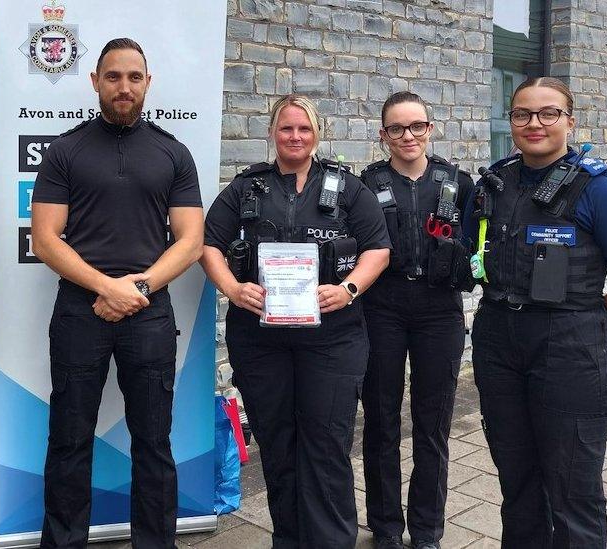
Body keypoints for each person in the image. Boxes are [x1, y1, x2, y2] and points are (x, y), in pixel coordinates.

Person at [464, 77, 607, 548]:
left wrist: (587, 323)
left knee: (573, 491)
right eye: (522, 114)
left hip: (571, 349)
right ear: (510, 121)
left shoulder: (602, 190)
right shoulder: (494, 182)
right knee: (518, 483)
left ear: (569, 121)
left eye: (548, 113)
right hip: (499, 342)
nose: (535, 123)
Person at [30, 38, 204, 549]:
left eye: (133, 77)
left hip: (149, 313)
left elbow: (191, 241)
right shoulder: (64, 151)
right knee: (69, 439)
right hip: (81, 309)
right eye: (113, 77)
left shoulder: (174, 153)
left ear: (147, 83)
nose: (123, 87)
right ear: (95, 82)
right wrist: (107, 286)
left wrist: (139, 287)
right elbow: (44, 239)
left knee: (153, 442)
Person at [202, 94, 391, 548]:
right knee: (278, 442)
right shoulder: (247, 188)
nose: (295, 137)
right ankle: (288, 538)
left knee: (326, 444)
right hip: (261, 340)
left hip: (332, 340)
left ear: (316, 134)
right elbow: (209, 245)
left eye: (304, 129)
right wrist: (232, 287)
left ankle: (330, 541)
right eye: (286, 128)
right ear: (273, 133)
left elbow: (378, 249)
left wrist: (347, 290)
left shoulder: (347, 189)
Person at [358, 91, 475, 549]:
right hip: (382, 308)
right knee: (381, 421)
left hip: (438, 310)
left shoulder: (458, 183)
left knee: (434, 422)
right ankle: (385, 527)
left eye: (416, 126)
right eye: (396, 128)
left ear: (430, 129)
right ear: (382, 134)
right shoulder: (365, 184)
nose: (407, 136)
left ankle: (427, 530)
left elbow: (479, 240)